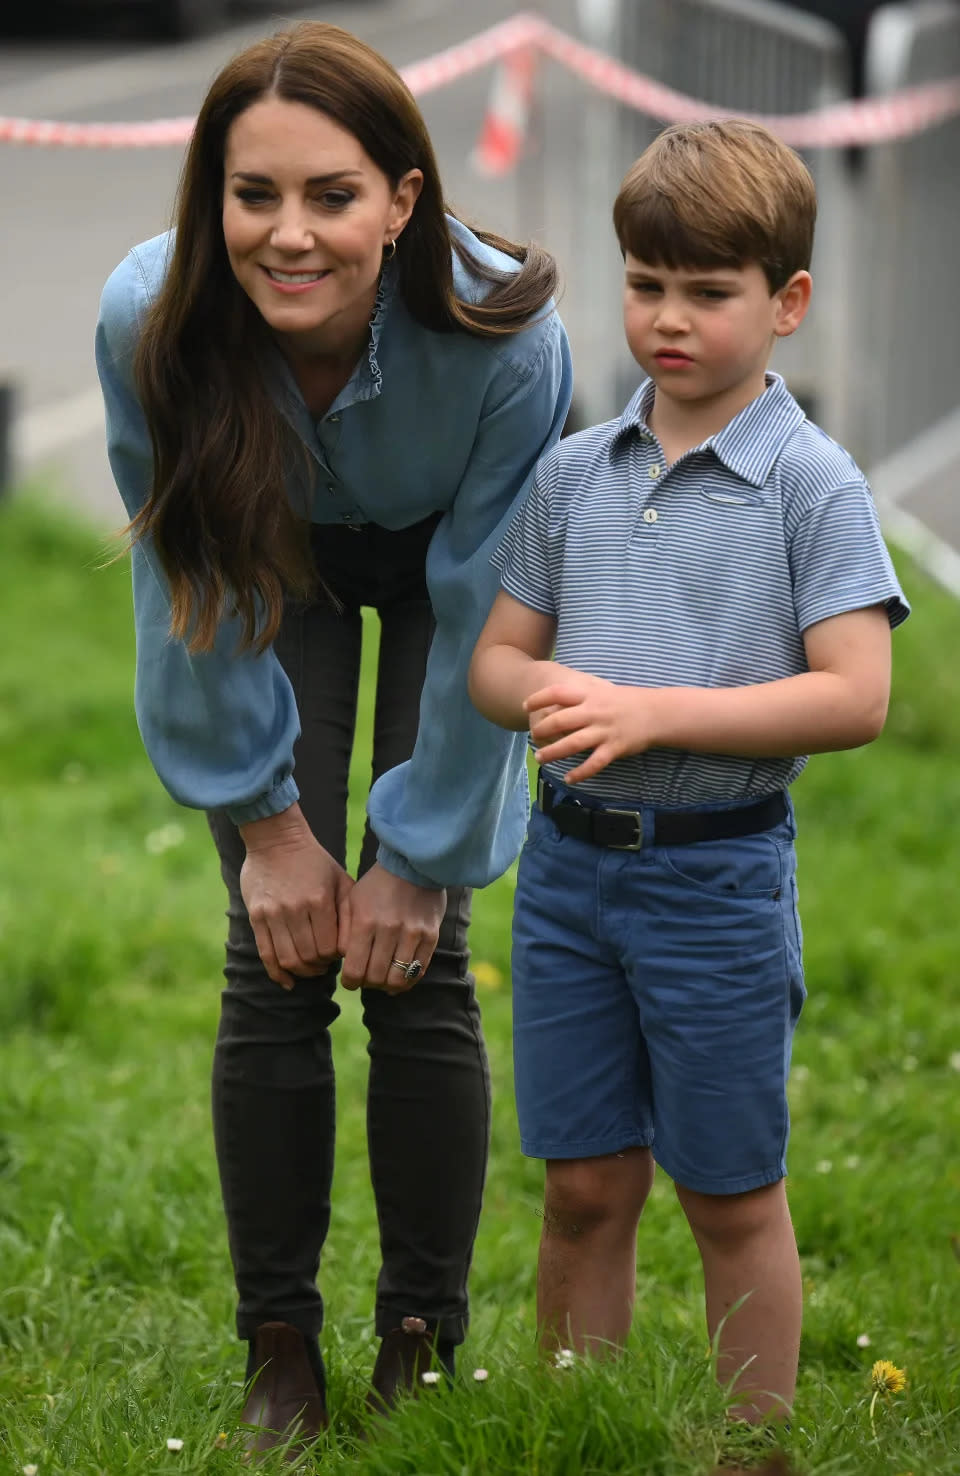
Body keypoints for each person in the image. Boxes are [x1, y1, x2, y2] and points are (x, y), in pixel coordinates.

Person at [94, 19, 572, 1453]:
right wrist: (269, 827)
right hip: (272, 557)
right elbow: (192, 582)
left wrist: (417, 855)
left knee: (416, 959)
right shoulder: (153, 320)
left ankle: (419, 1346)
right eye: (255, 197)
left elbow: (496, 608)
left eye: (332, 196)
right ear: (210, 198)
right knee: (279, 945)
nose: (289, 234)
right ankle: (280, 1352)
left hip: (451, 565)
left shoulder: (505, 333)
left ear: (404, 201)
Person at [469, 119, 908, 1423]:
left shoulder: (812, 486)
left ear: (788, 304)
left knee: (727, 1193)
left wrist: (651, 709)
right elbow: (497, 661)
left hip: (715, 882)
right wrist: (551, 699)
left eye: (708, 293)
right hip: (564, 880)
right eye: (647, 284)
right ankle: (577, 1435)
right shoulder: (572, 474)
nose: (669, 319)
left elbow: (855, 696)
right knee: (582, 1188)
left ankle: (752, 1451)